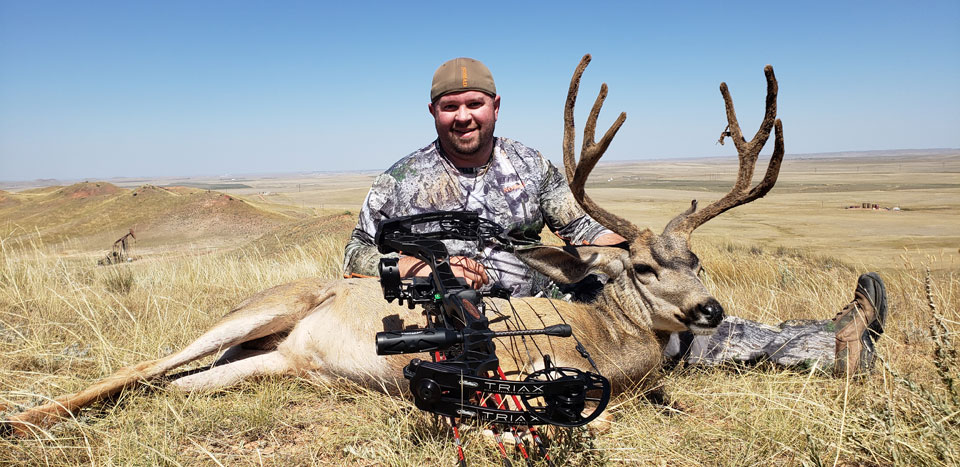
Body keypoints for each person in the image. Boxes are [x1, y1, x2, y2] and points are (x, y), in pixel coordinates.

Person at [343, 57, 889, 377]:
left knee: (675, 321)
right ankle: (820, 345)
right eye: (450, 106)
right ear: (434, 111)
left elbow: (578, 229)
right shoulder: (401, 179)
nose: (463, 116)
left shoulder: (531, 165)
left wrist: (634, 251)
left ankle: (826, 344)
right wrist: (424, 270)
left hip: (551, 298)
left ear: (494, 106)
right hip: (457, 314)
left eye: (474, 104)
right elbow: (356, 252)